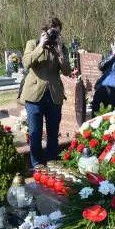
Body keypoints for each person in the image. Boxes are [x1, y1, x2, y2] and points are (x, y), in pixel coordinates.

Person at [21, 17, 72, 167]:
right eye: (51, 32)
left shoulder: (62, 48)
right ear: (44, 32)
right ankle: (37, 165)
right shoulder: (33, 43)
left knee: (53, 134)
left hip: (54, 95)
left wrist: (60, 51)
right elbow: (26, 63)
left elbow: (68, 71)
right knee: (35, 134)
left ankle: (52, 164)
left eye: (57, 33)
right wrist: (41, 46)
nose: (54, 36)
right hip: (34, 95)